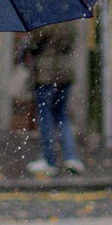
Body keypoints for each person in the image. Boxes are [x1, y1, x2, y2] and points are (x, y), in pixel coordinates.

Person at [23, 19, 84, 175]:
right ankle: (71, 158)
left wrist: (27, 44)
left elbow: (35, 43)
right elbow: (71, 43)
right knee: (62, 116)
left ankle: (49, 160)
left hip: (46, 73)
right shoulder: (70, 20)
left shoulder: (45, 20)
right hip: (65, 72)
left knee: (45, 117)